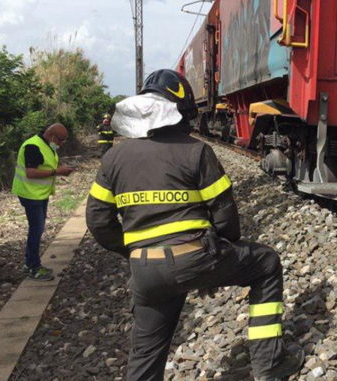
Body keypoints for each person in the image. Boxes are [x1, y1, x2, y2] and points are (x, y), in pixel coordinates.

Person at [86, 69, 303, 381]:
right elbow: (226, 218)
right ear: (183, 111)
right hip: (195, 258)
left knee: (146, 353)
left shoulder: (115, 158)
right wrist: (219, 257)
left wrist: (135, 251)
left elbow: (98, 221)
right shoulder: (197, 151)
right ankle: (269, 365)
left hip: (145, 269)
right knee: (266, 263)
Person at [12, 123, 74, 281]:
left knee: (37, 229)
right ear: (52, 136)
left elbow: (44, 164)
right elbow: (31, 173)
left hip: (39, 194)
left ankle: (30, 263)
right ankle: (32, 267)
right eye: (60, 140)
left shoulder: (46, 144)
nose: (61, 144)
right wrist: (57, 172)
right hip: (30, 194)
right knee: (36, 230)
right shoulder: (33, 146)